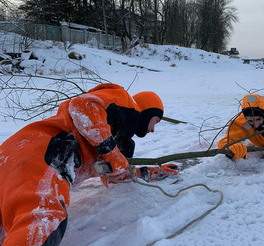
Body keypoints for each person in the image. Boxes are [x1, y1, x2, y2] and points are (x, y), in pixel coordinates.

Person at [0, 83, 178, 246]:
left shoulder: (112, 134)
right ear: (149, 111)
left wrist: (154, 172)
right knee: (42, 220)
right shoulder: (125, 102)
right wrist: (111, 151)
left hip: (9, 157)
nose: (153, 129)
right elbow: (82, 106)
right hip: (40, 154)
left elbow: (114, 175)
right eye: (156, 121)